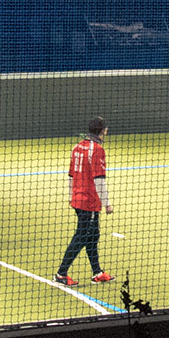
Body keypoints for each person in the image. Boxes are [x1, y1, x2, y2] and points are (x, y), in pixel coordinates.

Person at [55, 117, 115, 287]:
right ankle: (61, 273)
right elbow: (99, 179)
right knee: (82, 236)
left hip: (78, 199)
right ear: (104, 131)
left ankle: (97, 272)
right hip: (88, 202)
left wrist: (70, 195)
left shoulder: (77, 147)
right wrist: (107, 203)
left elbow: (71, 175)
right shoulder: (97, 150)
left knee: (93, 235)